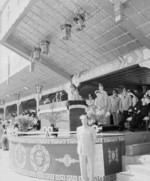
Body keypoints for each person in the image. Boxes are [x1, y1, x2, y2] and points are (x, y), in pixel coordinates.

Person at [77, 114, 96, 181]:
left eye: (85, 119)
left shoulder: (91, 129)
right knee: (82, 166)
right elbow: (78, 139)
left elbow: (94, 139)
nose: (84, 121)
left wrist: (89, 144)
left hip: (89, 149)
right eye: (82, 119)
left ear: (87, 120)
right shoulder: (78, 129)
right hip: (82, 150)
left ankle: (91, 179)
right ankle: (84, 179)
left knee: (91, 166)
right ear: (81, 120)